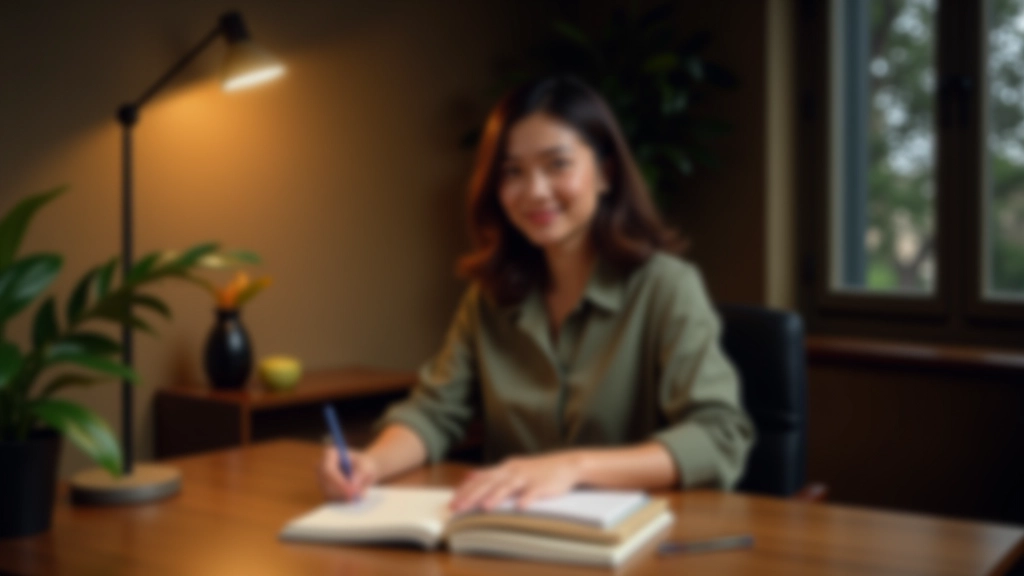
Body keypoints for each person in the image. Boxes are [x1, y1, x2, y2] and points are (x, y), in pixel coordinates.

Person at [318, 76, 754, 512]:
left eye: (557, 164)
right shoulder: (488, 296)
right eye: (513, 172)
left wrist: (573, 467)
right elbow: (434, 412)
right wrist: (371, 463)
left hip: (634, 534)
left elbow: (719, 435)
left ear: (605, 173)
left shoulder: (666, 286)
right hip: (513, 529)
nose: (535, 191)